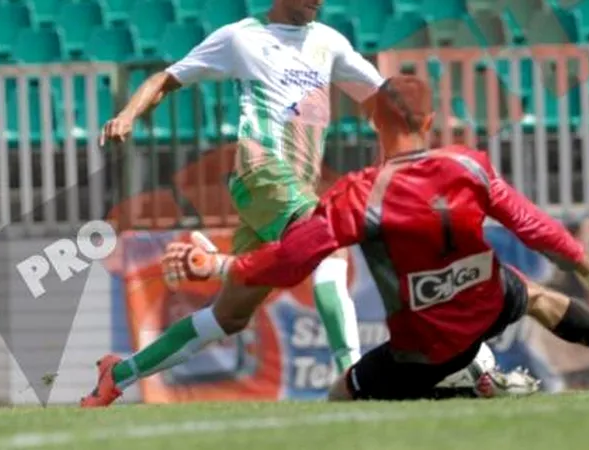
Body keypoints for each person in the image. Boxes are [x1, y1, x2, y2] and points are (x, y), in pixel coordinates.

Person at [83, 0, 524, 407]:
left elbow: (381, 103)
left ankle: (118, 374)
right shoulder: (241, 38)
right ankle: (356, 380)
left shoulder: (328, 43)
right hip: (263, 173)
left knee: (228, 318)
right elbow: (166, 79)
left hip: (290, 191)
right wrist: (127, 115)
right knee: (328, 249)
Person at [160, 75, 589, 401]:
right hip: (487, 301)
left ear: (371, 120)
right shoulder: (469, 163)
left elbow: (292, 258)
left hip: (422, 344)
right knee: (535, 295)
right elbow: (532, 226)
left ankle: (465, 388)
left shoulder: (361, 193)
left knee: (341, 395)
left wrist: (225, 267)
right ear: (428, 122)